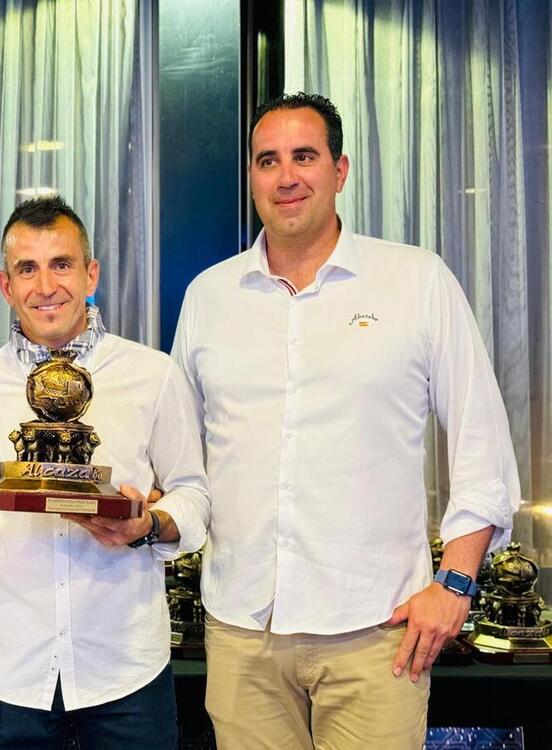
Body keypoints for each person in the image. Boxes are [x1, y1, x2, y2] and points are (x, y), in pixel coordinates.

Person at [172, 91, 521, 749]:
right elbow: (180, 459)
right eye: (267, 160)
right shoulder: (208, 298)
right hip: (242, 632)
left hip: (379, 634)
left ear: (341, 169)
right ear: (251, 177)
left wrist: (454, 584)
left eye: (305, 156)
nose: (286, 176)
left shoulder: (417, 282)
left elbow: (481, 442)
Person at [0, 195, 210, 749]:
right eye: (26, 269)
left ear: (91, 274)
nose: (45, 285)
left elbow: (194, 495)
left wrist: (149, 523)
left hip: (125, 665)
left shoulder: (152, 375)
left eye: (61, 264)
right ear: (4, 285)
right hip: (11, 668)